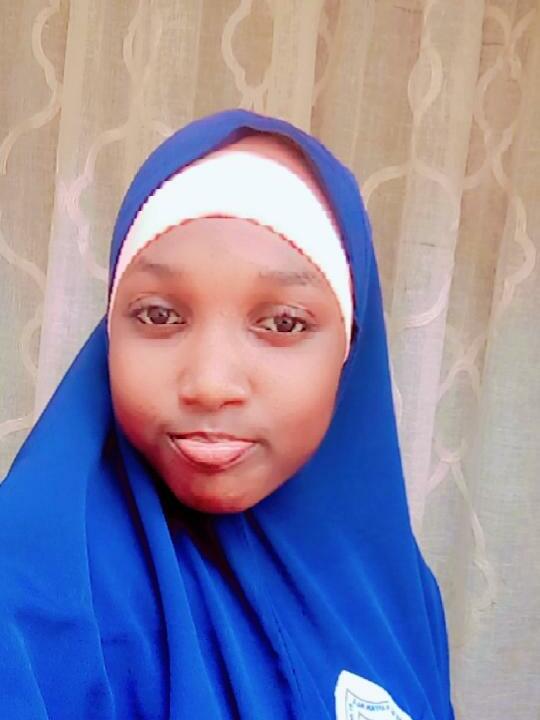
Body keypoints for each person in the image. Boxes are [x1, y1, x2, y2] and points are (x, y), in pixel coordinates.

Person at [0, 109, 454, 719]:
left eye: (283, 323)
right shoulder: (28, 596)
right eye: (160, 316)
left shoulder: (399, 593)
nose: (210, 384)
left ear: (349, 350)